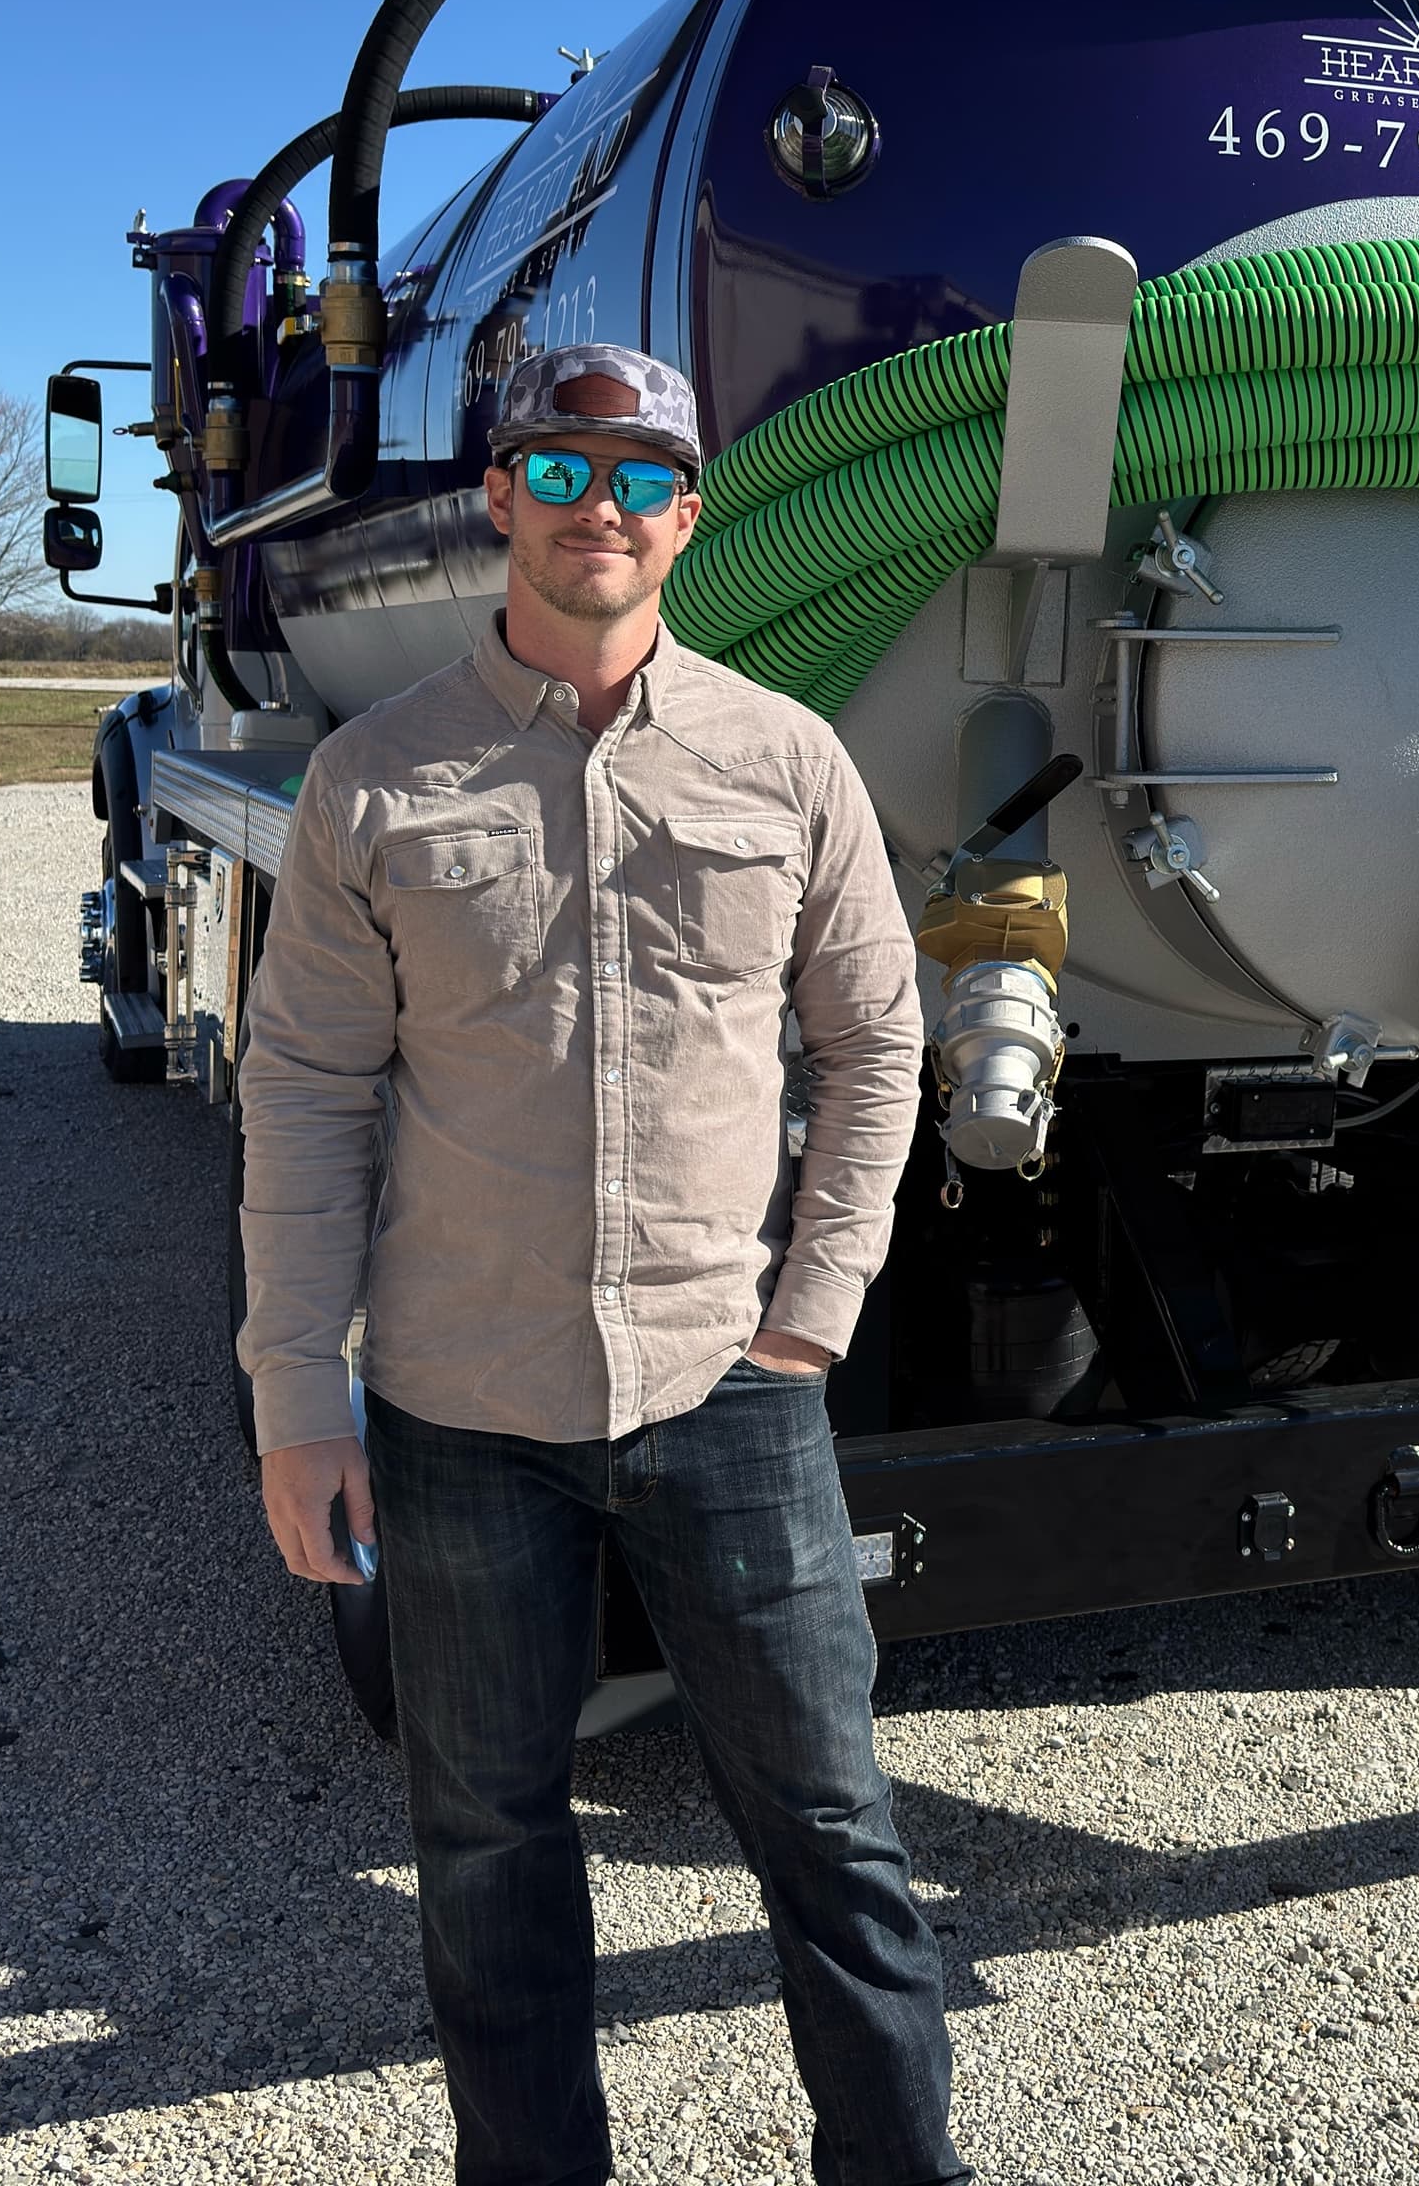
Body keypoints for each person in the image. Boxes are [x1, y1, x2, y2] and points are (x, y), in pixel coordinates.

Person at [233, 339, 965, 2186]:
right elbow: (306, 1092)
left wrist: (820, 1303)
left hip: (726, 1388)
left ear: (685, 514)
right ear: (500, 501)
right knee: (485, 1844)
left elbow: (880, 1044)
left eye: (638, 480)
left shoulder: (785, 760)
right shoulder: (375, 784)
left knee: (830, 1827)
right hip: (460, 1407)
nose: (598, 513)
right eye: (560, 475)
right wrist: (297, 1397)